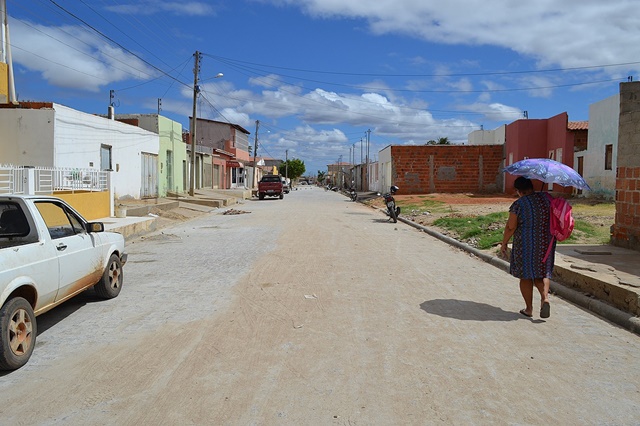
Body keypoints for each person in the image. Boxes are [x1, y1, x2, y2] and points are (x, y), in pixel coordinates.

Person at [500, 177, 554, 319]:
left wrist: (504, 243)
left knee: (525, 275)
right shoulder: (547, 199)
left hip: (525, 243)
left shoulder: (519, 204)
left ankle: (529, 309)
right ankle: (545, 298)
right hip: (545, 243)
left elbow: (511, 227)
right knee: (542, 273)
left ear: (518, 191)